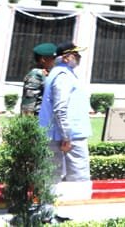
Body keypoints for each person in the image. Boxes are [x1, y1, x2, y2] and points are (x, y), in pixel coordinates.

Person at [39, 42, 92, 182]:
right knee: (78, 179)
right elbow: (60, 108)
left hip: (60, 134)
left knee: (51, 179)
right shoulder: (63, 76)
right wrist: (66, 137)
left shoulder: (61, 73)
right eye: (76, 54)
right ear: (66, 58)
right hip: (67, 136)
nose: (79, 57)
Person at [20, 42, 57, 116]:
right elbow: (29, 102)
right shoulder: (35, 75)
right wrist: (28, 121)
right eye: (53, 58)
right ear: (43, 59)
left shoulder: (47, 73)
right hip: (38, 117)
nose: (55, 61)